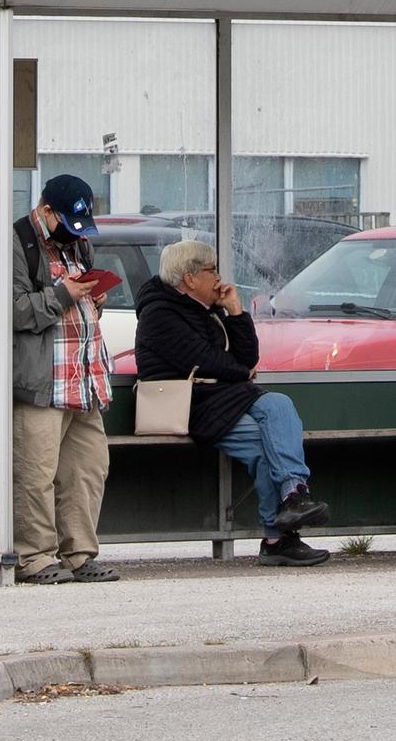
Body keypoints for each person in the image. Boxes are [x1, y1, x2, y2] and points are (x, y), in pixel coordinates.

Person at [132, 239, 330, 567]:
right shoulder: (159, 313)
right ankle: (276, 538)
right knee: (268, 447)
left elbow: (248, 356)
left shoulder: (209, 309)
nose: (220, 278)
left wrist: (236, 312)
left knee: (279, 404)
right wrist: (243, 372)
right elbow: (205, 361)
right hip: (194, 404)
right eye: (212, 270)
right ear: (190, 278)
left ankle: (295, 494)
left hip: (227, 395)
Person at [10, 173, 115, 585]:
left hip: (83, 380)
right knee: (35, 474)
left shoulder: (79, 244)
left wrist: (95, 299)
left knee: (87, 469)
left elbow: (78, 306)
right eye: (67, 226)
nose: (75, 236)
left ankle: (79, 554)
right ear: (46, 209)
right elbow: (11, 310)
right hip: (41, 382)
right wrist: (62, 295)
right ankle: (33, 557)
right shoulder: (17, 244)